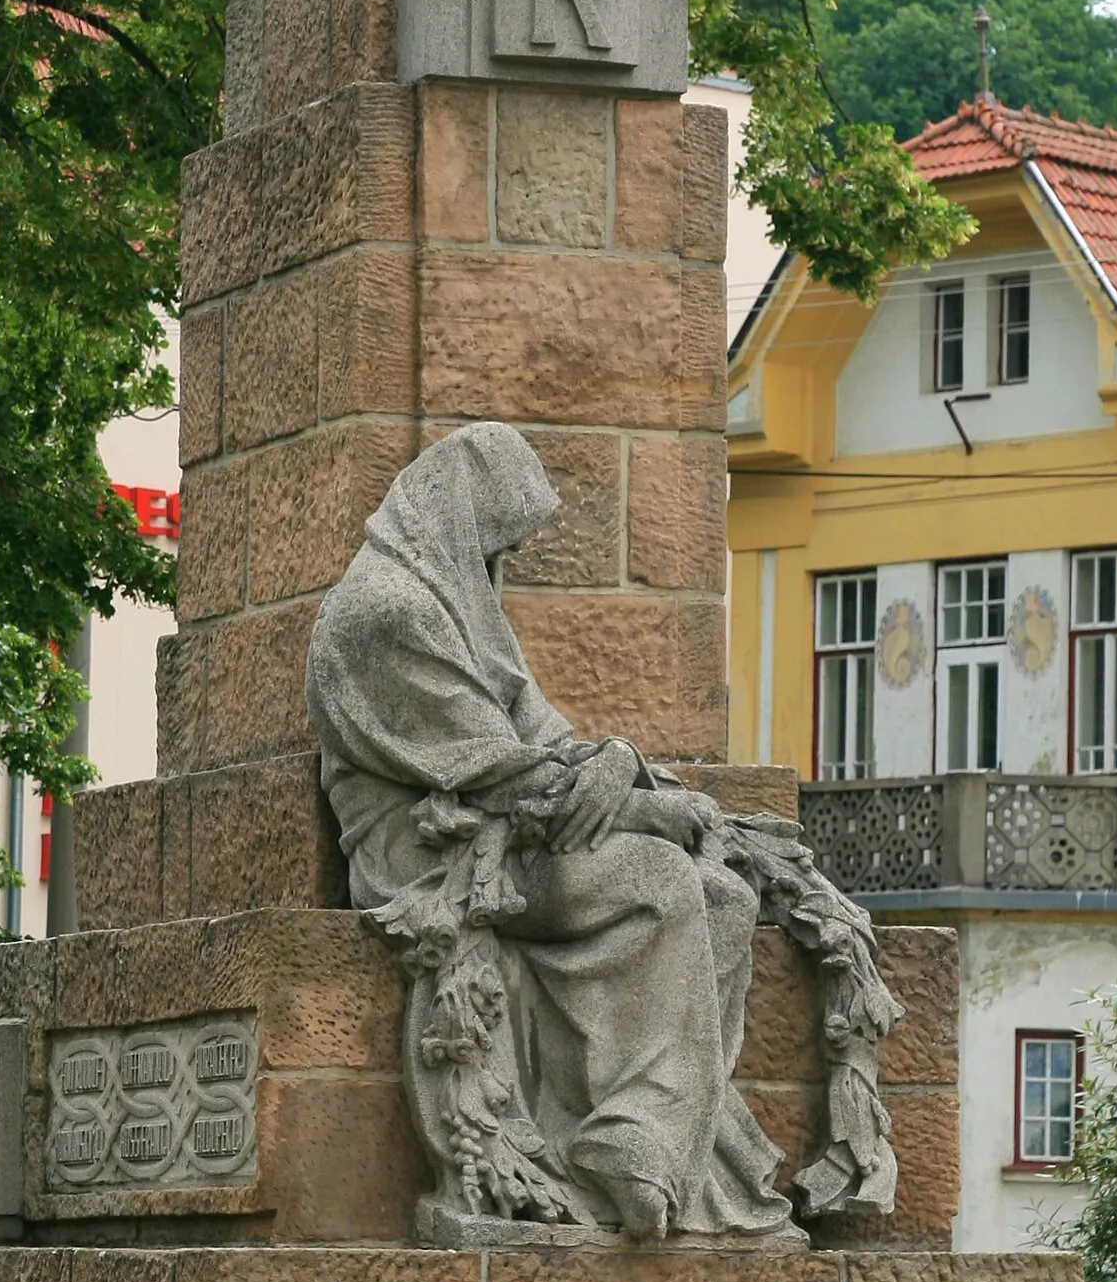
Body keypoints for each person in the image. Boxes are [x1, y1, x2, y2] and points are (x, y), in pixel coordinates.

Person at [305, 422, 793, 1239]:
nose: (508, 564)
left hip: (511, 834)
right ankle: (631, 1147)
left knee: (725, 899)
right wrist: (643, 810)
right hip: (436, 854)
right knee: (661, 881)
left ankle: (663, 1144)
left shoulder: (457, 602)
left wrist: (624, 764)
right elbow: (502, 771)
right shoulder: (384, 613)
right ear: (465, 520)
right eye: (504, 542)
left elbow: (548, 738)